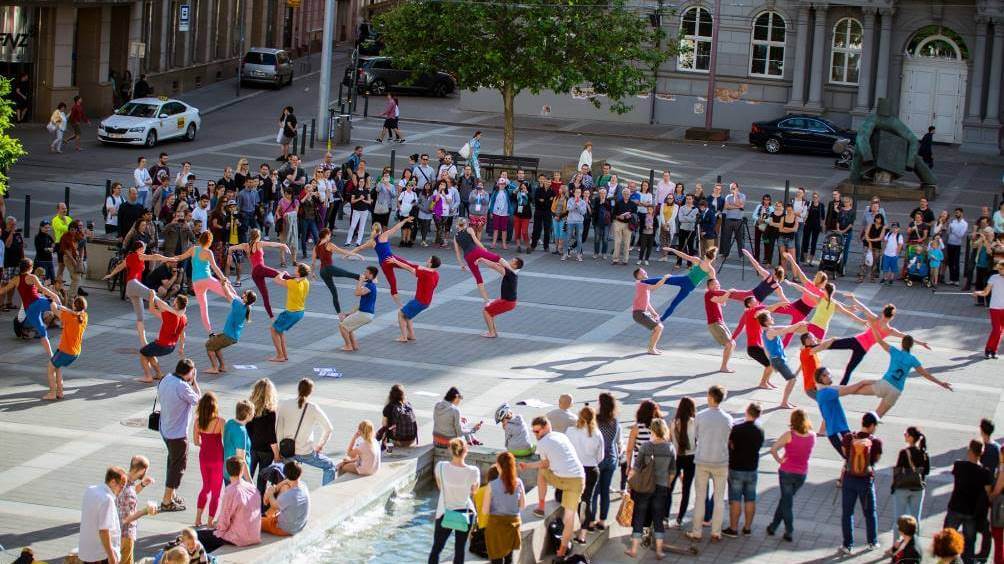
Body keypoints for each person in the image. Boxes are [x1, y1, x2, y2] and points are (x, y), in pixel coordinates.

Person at [814, 302, 930, 385]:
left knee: (832, 344)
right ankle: (841, 390)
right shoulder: (890, 330)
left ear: (883, 312)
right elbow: (906, 337)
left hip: (855, 341)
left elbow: (864, 309)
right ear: (892, 317)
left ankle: (812, 347)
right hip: (863, 349)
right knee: (849, 369)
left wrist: (853, 299)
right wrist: (921, 343)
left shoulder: (875, 319)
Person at [519, 416, 585, 560]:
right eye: (534, 432)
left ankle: (541, 506)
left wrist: (527, 466)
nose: (535, 435)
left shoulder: (543, 443)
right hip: (578, 479)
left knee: (542, 473)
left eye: (537, 432)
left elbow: (544, 464)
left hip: (564, 479)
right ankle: (561, 551)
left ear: (546, 427)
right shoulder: (561, 436)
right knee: (569, 517)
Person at [853, 329, 952, 416]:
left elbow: (879, 340)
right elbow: (925, 374)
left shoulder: (894, 351)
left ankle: (839, 392)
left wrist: (873, 326)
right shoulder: (913, 359)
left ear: (902, 344)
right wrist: (941, 383)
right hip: (896, 390)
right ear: (911, 346)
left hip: (885, 383)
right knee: (878, 415)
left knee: (856, 390)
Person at [625, 418, 677, 559]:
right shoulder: (670, 448)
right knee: (658, 518)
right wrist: (667, 483)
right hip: (661, 487)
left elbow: (636, 468)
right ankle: (659, 551)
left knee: (639, 517)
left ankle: (634, 549)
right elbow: (672, 471)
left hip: (644, 488)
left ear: (652, 431)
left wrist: (629, 482)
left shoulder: (646, 446)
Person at [687, 385, 732, 542]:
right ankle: (716, 532)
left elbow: (695, 436)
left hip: (702, 459)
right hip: (720, 460)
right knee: (719, 498)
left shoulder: (700, 416)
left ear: (711, 397)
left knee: (700, 497)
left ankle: (697, 532)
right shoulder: (728, 418)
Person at [157, 359, 200, 513]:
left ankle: (172, 494)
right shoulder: (183, 387)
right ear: (189, 372)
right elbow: (198, 400)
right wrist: (194, 381)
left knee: (172, 462)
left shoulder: (166, 378)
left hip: (165, 429)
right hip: (178, 434)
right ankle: (166, 500)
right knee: (178, 467)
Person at [766, 409, 816, 542]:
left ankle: (789, 530)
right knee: (785, 500)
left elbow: (773, 449)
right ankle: (773, 526)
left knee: (787, 503)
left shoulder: (789, 435)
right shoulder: (812, 435)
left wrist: (779, 460)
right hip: (802, 473)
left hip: (787, 472)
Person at [276, 378, 336, 485]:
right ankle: (325, 492)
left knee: (285, 476)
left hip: (287, 451)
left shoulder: (285, 404)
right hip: (305, 451)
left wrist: (280, 450)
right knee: (329, 465)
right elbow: (329, 428)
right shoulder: (313, 408)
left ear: (298, 389)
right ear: (311, 392)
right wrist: (320, 445)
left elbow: (278, 429)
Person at [429, 438, 480, 563]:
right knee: (459, 549)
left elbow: (440, 487)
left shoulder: (440, 467)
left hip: (444, 511)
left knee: (437, 549)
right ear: (465, 451)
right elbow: (474, 491)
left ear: (450, 450)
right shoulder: (473, 471)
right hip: (465, 512)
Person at [839, 411, 884, 555]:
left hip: (849, 478)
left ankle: (847, 545)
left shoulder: (848, 437)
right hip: (865, 480)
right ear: (871, 426)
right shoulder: (875, 442)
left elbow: (845, 454)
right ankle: (872, 542)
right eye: (875, 425)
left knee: (847, 513)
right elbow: (875, 460)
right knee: (870, 513)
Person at [196, 456, 262, 552]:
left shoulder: (231, 491)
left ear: (227, 471)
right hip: (254, 535)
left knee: (198, 536)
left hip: (239, 538)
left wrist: (217, 528)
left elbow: (224, 520)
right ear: (242, 470)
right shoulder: (253, 489)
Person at [0, 258, 61, 357]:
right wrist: (55, 296)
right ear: (30, 268)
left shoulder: (16, 279)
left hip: (29, 310)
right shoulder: (32, 277)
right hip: (37, 302)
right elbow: (42, 289)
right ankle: (69, 320)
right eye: (32, 267)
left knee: (42, 331)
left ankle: (51, 356)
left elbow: (4, 290)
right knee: (57, 306)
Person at [349, 218, 417, 306]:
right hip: (391, 259)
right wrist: (405, 220)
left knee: (393, 284)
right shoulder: (384, 235)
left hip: (384, 264)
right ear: (380, 229)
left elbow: (359, 248)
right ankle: (423, 273)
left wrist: (348, 254)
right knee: (409, 266)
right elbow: (396, 228)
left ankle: (400, 306)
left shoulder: (371, 242)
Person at [170, 231, 229, 333]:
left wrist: (167, 258)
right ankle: (241, 302)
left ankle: (210, 332)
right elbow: (215, 268)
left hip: (196, 282)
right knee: (226, 292)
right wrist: (223, 278)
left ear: (200, 239)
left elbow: (180, 257)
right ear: (209, 241)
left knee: (203, 307)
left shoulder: (193, 249)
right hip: (207, 278)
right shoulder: (208, 252)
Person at [945, 439, 993, 563]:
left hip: (955, 507)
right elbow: (988, 492)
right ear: (981, 453)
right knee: (970, 544)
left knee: (948, 540)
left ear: (969, 451)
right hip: (971, 512)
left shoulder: (959, 465)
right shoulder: (985, 473)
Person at [226, 228, 290, 320]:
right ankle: (296, 279)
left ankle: (271, 317)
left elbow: (231, 248)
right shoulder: (258, 243)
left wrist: (229, 255)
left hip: (255, 274)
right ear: (258, 236)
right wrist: (283, 244)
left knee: (265, 296)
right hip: (261, 268)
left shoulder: (245, 245)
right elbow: (271, 244)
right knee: (280, 274)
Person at [723, 402, 765, 538]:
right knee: (750, 499)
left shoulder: (738, 429)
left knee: (735, 499)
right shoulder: (760, 430)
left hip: (736, 467)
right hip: (752, 468)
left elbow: (730, 445)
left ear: (747, 412)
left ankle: (733, 528)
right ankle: (747, 528)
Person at [566, 406, 604, 543]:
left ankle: (569, 531)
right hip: (591, 469)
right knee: (587, 500)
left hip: (574, 469)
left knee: (572, 499)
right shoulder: (597, 434)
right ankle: (582, 534)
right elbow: (601, 456)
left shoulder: (570, 431)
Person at [888, 427, 930, 550]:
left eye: (906, 434)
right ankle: (914, 548)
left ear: (911, 437)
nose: (905, 435)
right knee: (915, 519)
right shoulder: (924, 453)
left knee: (899, 520)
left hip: (902, 488)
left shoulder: (904, 452)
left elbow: (898, 471)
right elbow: (926, 471)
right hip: (918, 488)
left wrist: (893, 487)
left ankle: (896, 548)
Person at [648, 246, 717, 320]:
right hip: (690, 287)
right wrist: (715, 295)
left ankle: (643, 281)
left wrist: (672, 249)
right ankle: (661, 319)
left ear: (705, 255)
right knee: (674, 304)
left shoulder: (698, 261)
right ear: (713, 259)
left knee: (665, 279)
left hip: (685, 280)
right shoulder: (711, 270)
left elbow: (683, 255)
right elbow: (714, 284)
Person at [79, 466, 130, 564]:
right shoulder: (107, 500)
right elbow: (104, 530)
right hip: (100, 555)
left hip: (87, 551)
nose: (122, 490)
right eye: (122, 486)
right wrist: (111, 556)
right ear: (113, 482)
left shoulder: (90, 490)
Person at [481, 452, 525, 564]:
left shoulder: (492, 485)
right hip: (513, 526)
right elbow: (522, 506)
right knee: (509, 559)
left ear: (499, 466)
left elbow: (485, 511)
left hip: (496, 527)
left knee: (496, 559)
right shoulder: (519, 483)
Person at [758, 311, 808, 408]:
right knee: (792, 379)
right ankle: (784, 402)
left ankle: (784, 401)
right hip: (777, 360)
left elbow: (787, 328)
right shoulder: (770, 332)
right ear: (766, 322)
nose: (772, 318)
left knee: (792, 378)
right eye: (770, 317)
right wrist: (798, 323)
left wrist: (798, 325)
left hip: (776, 359)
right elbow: (785, 331)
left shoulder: (768, 330)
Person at [388, 255, 441, 342]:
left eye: (428, 260)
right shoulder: (435, 274)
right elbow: (414, 266)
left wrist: (395, 261)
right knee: (407, 316)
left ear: (431, 264)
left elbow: (409, 268)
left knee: (401, 314)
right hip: (426, 302)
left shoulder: (425, 273)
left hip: (419, 301)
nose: (427, 260)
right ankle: (411, 335)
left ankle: (404, 337)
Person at [205, 284, 256, 374]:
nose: (243, 294)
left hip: (228, 335)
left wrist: (224, 285)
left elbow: (228, 294)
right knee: (216, 346)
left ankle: (214, 368)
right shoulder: (247, 307)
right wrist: (228, 285)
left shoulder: (238, 305)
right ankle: (223, 366)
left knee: (209, 345)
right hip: (232, 336)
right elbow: (234, 294)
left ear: (246, 299)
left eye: (245, 294)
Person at [45, 296, 87, 400]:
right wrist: (66, 309)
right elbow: (73, 312)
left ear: (74, 305)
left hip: (65, 351)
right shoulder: (84, 316)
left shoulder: (68, 317)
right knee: (57, 367)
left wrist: (54, 302)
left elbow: (54, 309)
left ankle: (52, 393)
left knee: (50, 369)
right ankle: (60, 392)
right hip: (75, 352)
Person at [139, 292, 188, 383]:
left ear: (176, 304)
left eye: (175, 301)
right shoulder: (184, 317)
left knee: (142, 353)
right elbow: (183, 334)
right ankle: (159, 374)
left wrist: (152, 298)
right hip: (171, 347)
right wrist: (181, 347)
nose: (173, 301)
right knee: (149, 352)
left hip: (162, 345)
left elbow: (152, 310)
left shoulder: (170, 315)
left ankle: (148, 376)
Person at [452, 217, 504, 302]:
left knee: (478, 277)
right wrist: (484, 248)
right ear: (465, 224)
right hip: (476, 251)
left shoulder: (455, 237)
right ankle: (506, 272)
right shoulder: (469, 230)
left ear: (457, 225)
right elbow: (476, 241)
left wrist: (461, 264)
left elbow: (457, 252)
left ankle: (486, 300)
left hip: (468, 256)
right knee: (495, 258)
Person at [312, 228, 361, 316]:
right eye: (329, 234)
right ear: (326, 235)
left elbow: (313, 263)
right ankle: (364, 279)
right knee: (347, 274)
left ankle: (339, 314)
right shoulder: (329, 244)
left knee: (334, 292)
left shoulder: (316, 247)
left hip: (322, 272)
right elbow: (343, 251)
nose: (330, 236)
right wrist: (356, 254)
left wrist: (312, 273)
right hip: (329, 268)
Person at [193, 391, 225, 527]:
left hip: (204, 457)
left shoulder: (197, 422)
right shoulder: (220, 421)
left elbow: (195, 442)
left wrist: (204, 444)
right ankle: (210, 521)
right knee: (216, 491)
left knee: (205, 487)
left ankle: (197, 518)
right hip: (218, 458)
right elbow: (226, 440)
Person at [116, 456, 156, 564]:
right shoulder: (129, 492)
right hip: (126, 533)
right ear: (141, 470)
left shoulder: (122, 480)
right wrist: (146, 510)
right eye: (146, 470)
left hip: (116, 531)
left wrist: (142, 484)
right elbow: (126, 519)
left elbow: (129, 495)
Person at [268, 263, 310, 362]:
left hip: (291, 312)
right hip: (300, 311)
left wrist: (282, 273)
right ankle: (284, 355)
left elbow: (277, 280)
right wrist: (290, 277)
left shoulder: (293, 283)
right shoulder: (306, 281)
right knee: (279, 331)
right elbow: (297, 280)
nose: (295, 270)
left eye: (296, 269)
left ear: (299, 272)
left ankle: (280, 356)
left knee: (273, 330)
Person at [262, 460, 311, 536]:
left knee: (257, 522)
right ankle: (267, 515)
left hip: (284, 529)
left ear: (285, 474)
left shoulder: (287, 495)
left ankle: (265, 516)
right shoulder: (303, 486)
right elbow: (288, 481)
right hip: (300, 525)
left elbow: (274, 505)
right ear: (300, 473)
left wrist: (271, 492)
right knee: (285, 486)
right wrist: (278, 487)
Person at [246, 378, 280, 481]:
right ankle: (260, 497)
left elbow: (247, 429)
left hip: (252, 448)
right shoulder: (270, 412)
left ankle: (246, 497)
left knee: (247, 477)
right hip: (266, 451)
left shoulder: (250, 408)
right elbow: (271, 435)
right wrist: (277, 454)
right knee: (262, 480)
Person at [479, 256, 521, 338]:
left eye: (512, 261)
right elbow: (497, 264)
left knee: (486, 312)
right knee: (489, 312)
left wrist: (483, 259)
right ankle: (493, 332)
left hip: (507, 302)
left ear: (515, 266)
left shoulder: (510, 273)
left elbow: (494, 266)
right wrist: (487, 260)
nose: (510, 261)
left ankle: (492, 333)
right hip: (508, 301)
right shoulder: (512, 273)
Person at [339, 267, 379, 352]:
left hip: (365, 314)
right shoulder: (370, 285)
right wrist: (349, 313)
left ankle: (348, 346)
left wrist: (360, 281)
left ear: (371, 275)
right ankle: (354, 345)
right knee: (348, 327)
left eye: (366, 272)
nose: (364, 273)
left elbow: (356, 293)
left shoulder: (370, 286)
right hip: (365, 313)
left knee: (342, 326)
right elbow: (361, 304)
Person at [632, 268, 671, 354]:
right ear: (639, 276)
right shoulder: (641, 284)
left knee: (659, 328)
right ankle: (651, 348)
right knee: (659, 328)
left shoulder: (642, 284)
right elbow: (655, 287)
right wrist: (665, 278)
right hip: (639, 313)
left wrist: (653, 312)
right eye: (643, 272)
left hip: (642, 312)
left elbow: (647, 302)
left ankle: (652, 347)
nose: (646, 272)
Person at [703, 279, 738, 372]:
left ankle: (724, 366)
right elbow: (722, 300)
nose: (717, 286)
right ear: (709, 287)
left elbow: (723, 303)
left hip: (721, 323)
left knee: (733, 344)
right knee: (729, 344)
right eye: (714, 284)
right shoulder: (709, 294)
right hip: (714, 323)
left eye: (718, 284)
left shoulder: (714, 293)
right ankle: (723, 367)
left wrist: (722, 293)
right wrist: (729, 292)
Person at [973, 260, 1004, 359]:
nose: (999, 271)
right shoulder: (994, 278)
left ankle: (994, 350)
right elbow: (986, 292)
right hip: (994, 307)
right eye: (998, 268)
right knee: (996, 330)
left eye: (1001, 269)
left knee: (1000, 331)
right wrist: (978, 293)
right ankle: (988, 349)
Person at [223, 400, 255, 486]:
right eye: (253, 412)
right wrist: (250, 482)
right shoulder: (241, 432)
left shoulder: (229, 423)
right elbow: (241, 460)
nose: (254, 414)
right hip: (238, 477)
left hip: (227, 471)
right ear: (247, 414)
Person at [381, 384, 419, 449]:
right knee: (389, 431)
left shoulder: (389, 407)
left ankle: (388, 453)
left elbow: (384, 424)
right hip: (412, 439)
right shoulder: (408, 404)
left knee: (385, 435)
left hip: (398, 441)